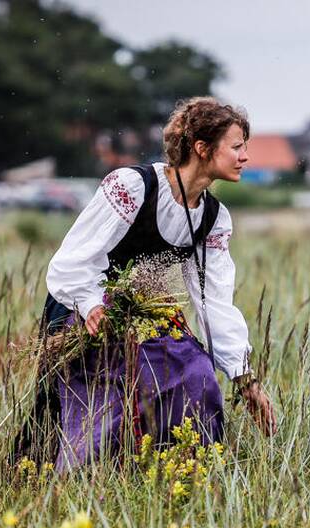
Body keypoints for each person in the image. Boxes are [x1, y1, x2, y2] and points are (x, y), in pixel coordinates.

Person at [18, 97, 276, 472]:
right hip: (84, 313)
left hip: (145, 316)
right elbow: (73, 260)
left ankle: (185, 469)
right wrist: (91, 303)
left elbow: (213, 303)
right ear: (202, 148)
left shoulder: (213, 219)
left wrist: (244, 377)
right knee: (93, 405)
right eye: (237, 147)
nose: (245, 157)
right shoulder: (134, 187)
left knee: (196, 375)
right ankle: (69, 482)